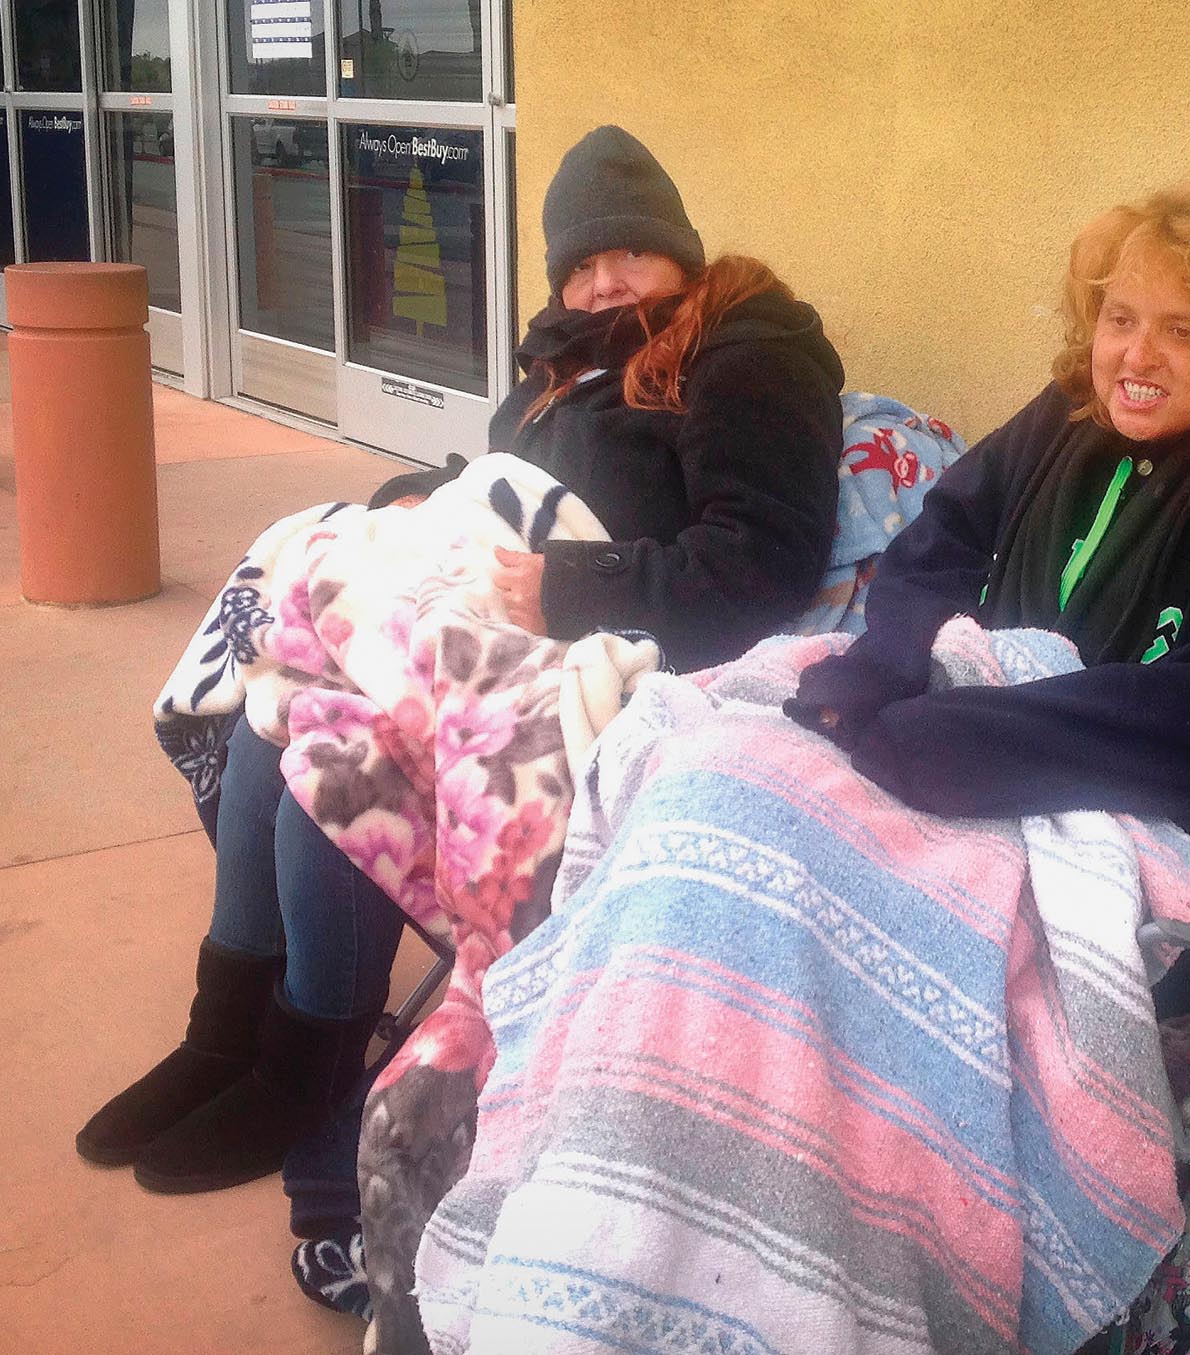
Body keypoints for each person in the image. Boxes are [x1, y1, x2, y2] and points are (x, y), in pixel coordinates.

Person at [77, 124, 845, 1197]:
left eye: (629, 252)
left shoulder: (742, 350)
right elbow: (498, 483)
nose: (604, 280)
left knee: (337, 762)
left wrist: (569, 582)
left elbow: (760, 560)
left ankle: (305, 1068)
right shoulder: (563, 364)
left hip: (617, 656)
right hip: (486, 619)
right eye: (582, 263)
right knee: (272, 708)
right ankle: (223, 1035)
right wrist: (417, 500)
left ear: (679, 251)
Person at [787, 177, 1190, 1015]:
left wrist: (958, 742)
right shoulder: (1072, 414)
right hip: (978, 767)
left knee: (822, 915)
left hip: (1166, 858)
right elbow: (942, 538)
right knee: (742, 797)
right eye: (1120, 319)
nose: (1137, 356)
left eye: (1181, 329)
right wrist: (889, 660)